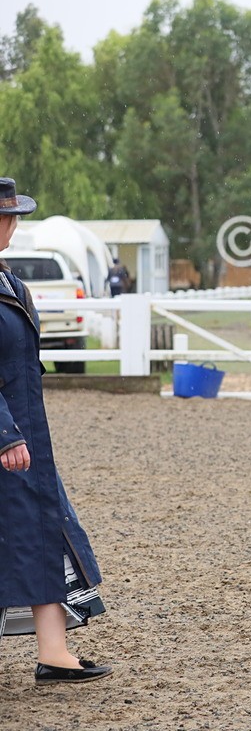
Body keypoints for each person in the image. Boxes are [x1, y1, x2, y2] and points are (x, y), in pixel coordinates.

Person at [0, 177, 111, 685]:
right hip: (9, 436)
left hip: (27, 434)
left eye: (14, 214)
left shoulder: (11, 282)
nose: (13, 224)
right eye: (7, 215)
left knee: (44, 534)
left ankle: (55, 651)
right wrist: (5, 434)